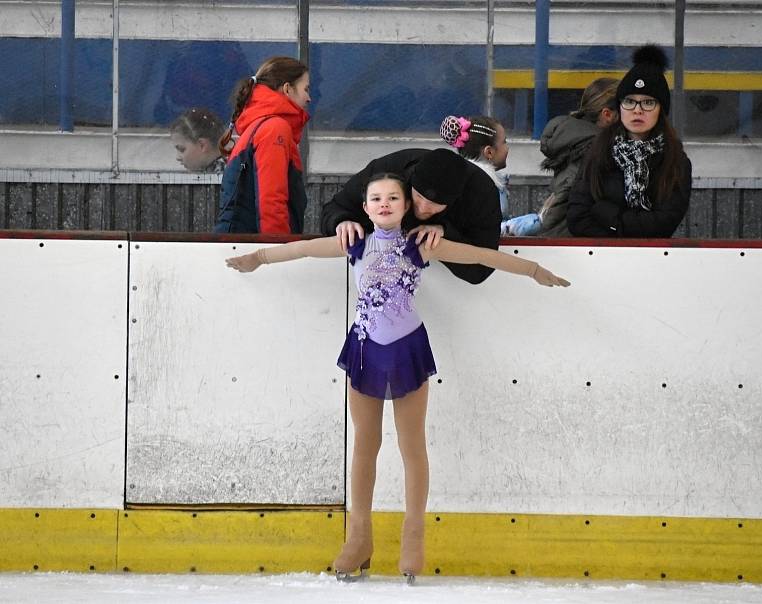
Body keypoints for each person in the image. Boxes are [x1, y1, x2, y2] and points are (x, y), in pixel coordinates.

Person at [226, 173, 570, 583]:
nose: (384, 203)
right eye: (376, 198)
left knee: (412, 447)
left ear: (406, 206)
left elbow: (482, 255)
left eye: (393, 197)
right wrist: (259, 258)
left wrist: (531, 269)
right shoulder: (353, 242)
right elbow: (302, 249)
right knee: (365, 445)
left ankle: (413, 538)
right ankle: (359, 538)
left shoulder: (419, 245)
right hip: (366, 349)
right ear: (366, 207)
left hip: (407, 349)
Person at [319, 148, 501, 285]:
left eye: (434, 205)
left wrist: (445, 233)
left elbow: (482, 268)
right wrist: (341, 221)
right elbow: (333, 209)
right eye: (418, 197)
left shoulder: (481, 194)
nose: (422, 208)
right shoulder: (386, 172)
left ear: (453, 201)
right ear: (410, 182)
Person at [567, 45, 692, 237]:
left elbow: (664, 224)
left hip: (654, 260)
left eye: (648, 102)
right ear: (620, 107)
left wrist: (608, 215)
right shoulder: (598, 151)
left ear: (662, 110)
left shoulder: (676, 161)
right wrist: (625, 232)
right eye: (629, 101)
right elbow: (578, 218)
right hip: (601, 258)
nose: (637, 110)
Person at [501, 78, 619, 238]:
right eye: (627, 107)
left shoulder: (576, 140)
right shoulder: (595, 149)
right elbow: (567, 199)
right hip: (572, 242)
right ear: (608, 115)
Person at [213, 56, 311, 234]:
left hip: (239, 244)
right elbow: (271, 201)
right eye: (306, 89)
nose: (309, 98)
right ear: (288, 89)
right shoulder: (275, 128)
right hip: (252, 249)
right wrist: (278, 253)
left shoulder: (259, 126)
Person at [439, 115, 510, 219]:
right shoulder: (481, 189)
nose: (507, 147)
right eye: (504, 142)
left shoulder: (460, 181)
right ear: (489, 152)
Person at [169, 107, 226, 173]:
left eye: (182, 149)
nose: (177, 157)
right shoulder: (231, 168)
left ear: (202, 145)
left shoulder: (222, 177)